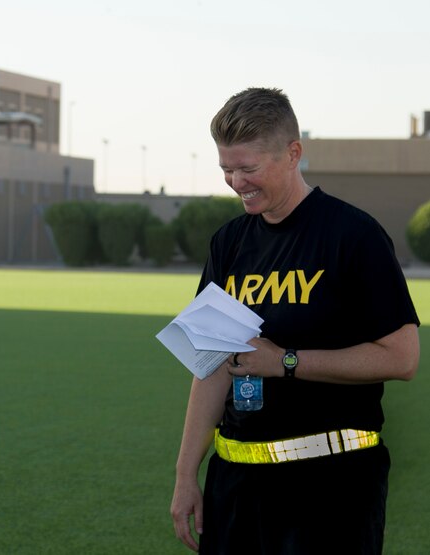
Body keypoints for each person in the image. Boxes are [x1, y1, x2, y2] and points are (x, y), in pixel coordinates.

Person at [169, 87, 420, 554]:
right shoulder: (228, 243)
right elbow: (209, 365)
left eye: (248, 168)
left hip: (332, 488)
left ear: (293, 154)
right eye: (226, 168)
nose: (236, 181)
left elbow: (403, 357)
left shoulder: (354, 235)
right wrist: (186, 475)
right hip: (236, 487)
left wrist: (284, 361)